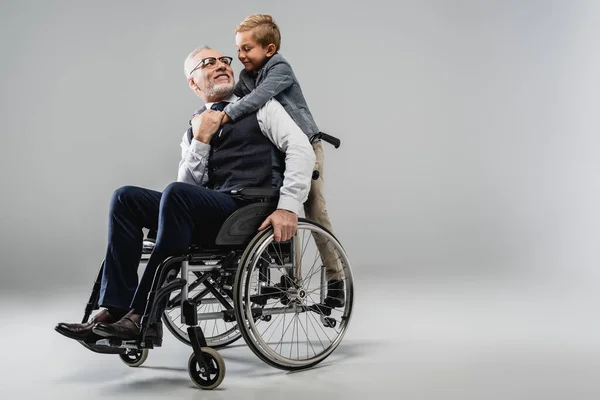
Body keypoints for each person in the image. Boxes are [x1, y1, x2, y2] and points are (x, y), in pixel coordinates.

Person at [54, 46, 315, 344]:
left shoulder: (262, 108)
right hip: (215, 209)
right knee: (126, 198)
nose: (221, 65)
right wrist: (201, 139)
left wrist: (288, 207)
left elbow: (301, 149)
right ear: (193, 83)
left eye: (223, 60)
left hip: (251, 206)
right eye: (208, 63)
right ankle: (115, 309)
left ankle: (143, 317)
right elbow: (187, 186)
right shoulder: (192, 129)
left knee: (176, 194)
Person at [221, 13, 345, 307]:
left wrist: (226, 116)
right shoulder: (246, 77)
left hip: (307, 148)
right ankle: (288, 281)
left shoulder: (280, 69)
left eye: (247, 49)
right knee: (277, 209)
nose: (240, 55)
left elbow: (258, 99)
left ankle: (336, 280)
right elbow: (232, 98)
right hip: (276, 151)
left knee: (314, 211)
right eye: (237, 49)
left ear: (269, 49)